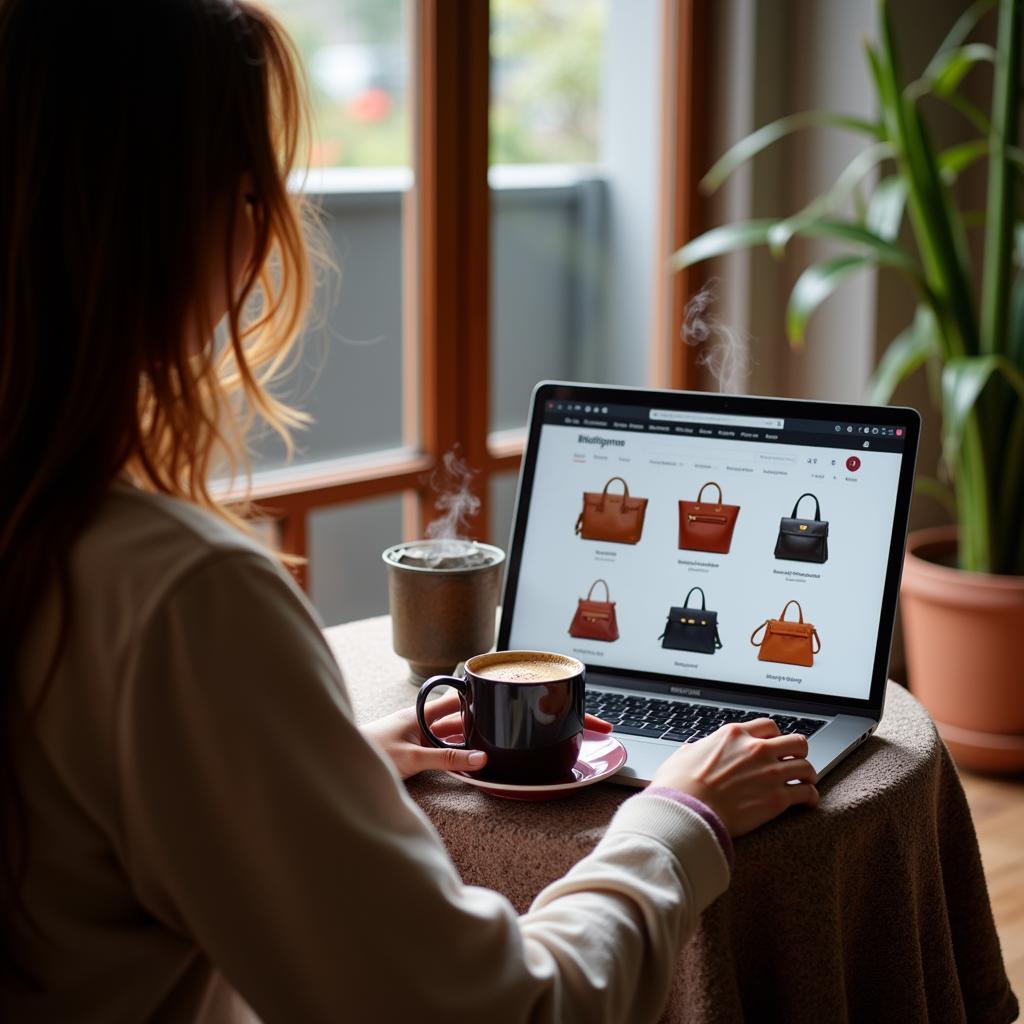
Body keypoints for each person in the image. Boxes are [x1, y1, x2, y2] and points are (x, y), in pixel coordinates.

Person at [0, 1, 819, 1020]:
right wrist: (678, 816)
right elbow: (501, 1011)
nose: (267, 236)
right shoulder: (176, 594)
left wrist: (308, 770)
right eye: (253, 193)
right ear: (169, 223)